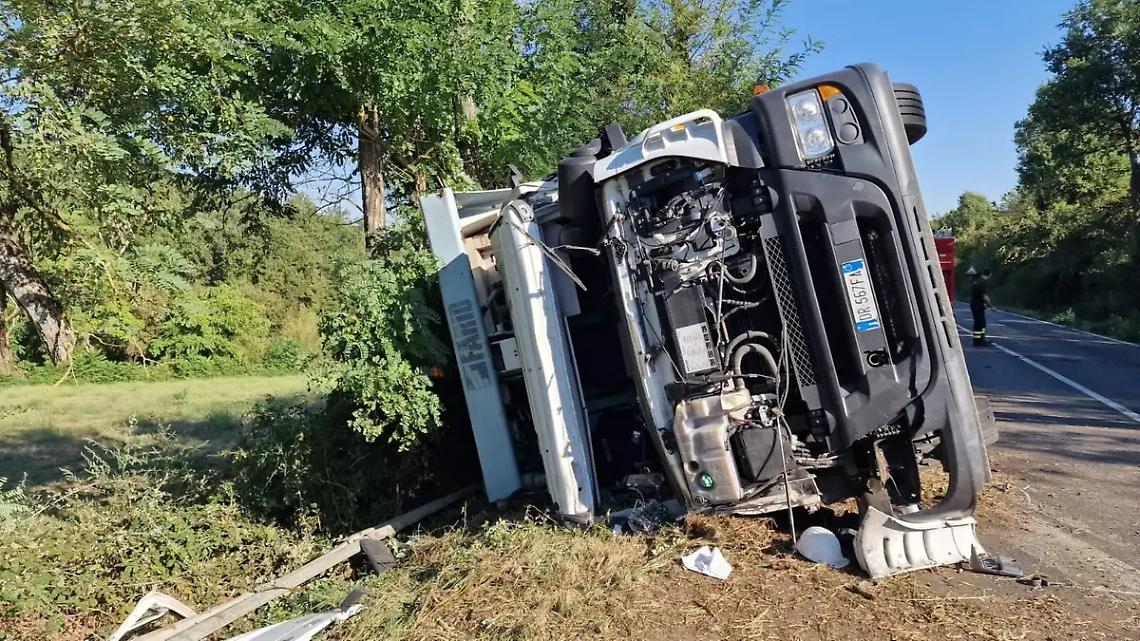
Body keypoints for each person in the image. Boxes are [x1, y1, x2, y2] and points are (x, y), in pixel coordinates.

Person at [968, 267, 992, 346]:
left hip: (974, 305)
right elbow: (985, 296)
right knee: (981, 323)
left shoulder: (977, 281)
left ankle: (977, 340)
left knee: (978, 323)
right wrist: (990, 306)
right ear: (989, 275)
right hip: (978, 305)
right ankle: (980, 340)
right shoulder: (983, 282)